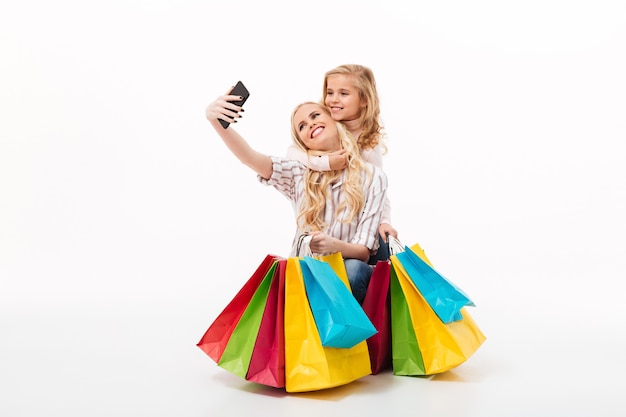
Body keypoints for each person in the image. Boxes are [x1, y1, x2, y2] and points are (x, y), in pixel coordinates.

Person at [205, 88, 388, 304]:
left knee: (354, 270)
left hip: (350, 280)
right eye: (301, 126)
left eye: (315, 115)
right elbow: (251, 158)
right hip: (308, 278)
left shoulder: (372, 176)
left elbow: (364, 253)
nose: (310, 124)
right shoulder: (298, 173)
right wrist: (216, 122)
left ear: (333, 119)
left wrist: (334, 246)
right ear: (302, 142)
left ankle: (349, 336)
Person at [286, 64, 398, 263]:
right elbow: (293, 152)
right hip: (328, 220)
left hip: (358, 226)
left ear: (364, 99)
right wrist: (326, 162)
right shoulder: (324, 124)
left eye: (343, 93)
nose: (333, 100)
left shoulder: (367, 144)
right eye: (330, 92)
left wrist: (385, 221)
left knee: (383, 258)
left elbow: (379, 187)